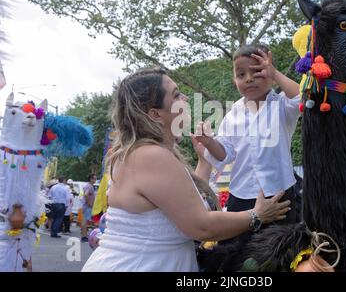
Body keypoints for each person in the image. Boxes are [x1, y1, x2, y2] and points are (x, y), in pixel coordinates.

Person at [82, 67, 290, 272]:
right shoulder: (151, 156)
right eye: (176, 96)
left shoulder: (143, 153)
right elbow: (201, 226)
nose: (186, 99)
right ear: (155, 114)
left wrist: (204, 161)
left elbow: (184, 204)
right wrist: (257, 215)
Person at [194, 44, 300, 228]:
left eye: (257, 71)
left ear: (270, 74)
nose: (249, 79)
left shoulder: (282, 105)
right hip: (241, 195)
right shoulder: (232, 114)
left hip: (280, 193)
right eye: (241, 74)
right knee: (238, 250)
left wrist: (274, 73)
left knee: (283, 248)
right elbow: (224, 154)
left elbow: (303, 98)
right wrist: (209, 142)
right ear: (234, 81)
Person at [81, 173, 96, 242]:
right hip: (87, 206)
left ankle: (84, 235)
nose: (95, 180)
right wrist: (89, 203)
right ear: (90, 179)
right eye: (94, 178)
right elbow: (86, 195)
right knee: (85, 221)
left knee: (85, 221)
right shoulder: (89, 186)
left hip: (86, 206)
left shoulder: (88, 185)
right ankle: (84, 236)